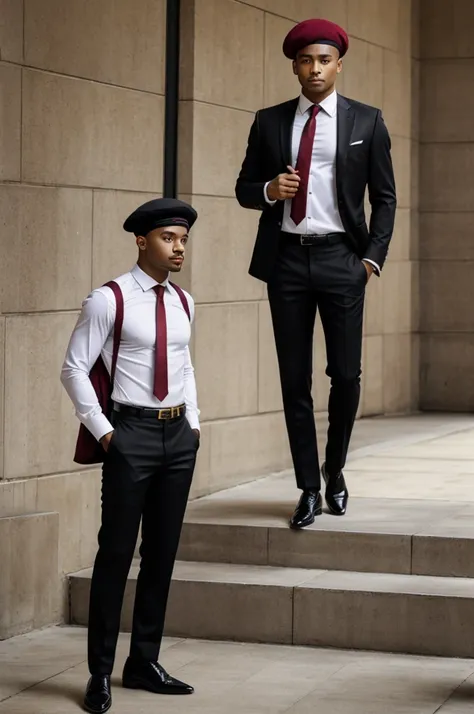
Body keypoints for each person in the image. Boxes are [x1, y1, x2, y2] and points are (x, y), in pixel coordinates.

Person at [235, 19, 396, 529]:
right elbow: (243, 188)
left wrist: (370, 258)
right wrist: (268, 190)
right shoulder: (269, 122)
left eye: (324, 59)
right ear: (295, 66)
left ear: (339, 64)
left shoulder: (366, 122)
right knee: (293, 379)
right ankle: (307, 486)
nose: (315, 68)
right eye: (306, 60)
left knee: (345, 375)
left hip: (341, 260)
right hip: (286, 260)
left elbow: (385, 198)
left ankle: (336, 471)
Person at [61, 198, 200, 713]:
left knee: (161, 555)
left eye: (183, 239)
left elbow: (185, 365)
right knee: (115, 555)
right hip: (129, 436)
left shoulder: (185, 302)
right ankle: (99, 672)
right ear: (143, 240)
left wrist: (195, 423)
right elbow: (74, 368)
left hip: (177, 438)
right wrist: (105, 434)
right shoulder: (109, 299)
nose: (178, 246)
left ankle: (143, 662)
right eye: (169, 238)